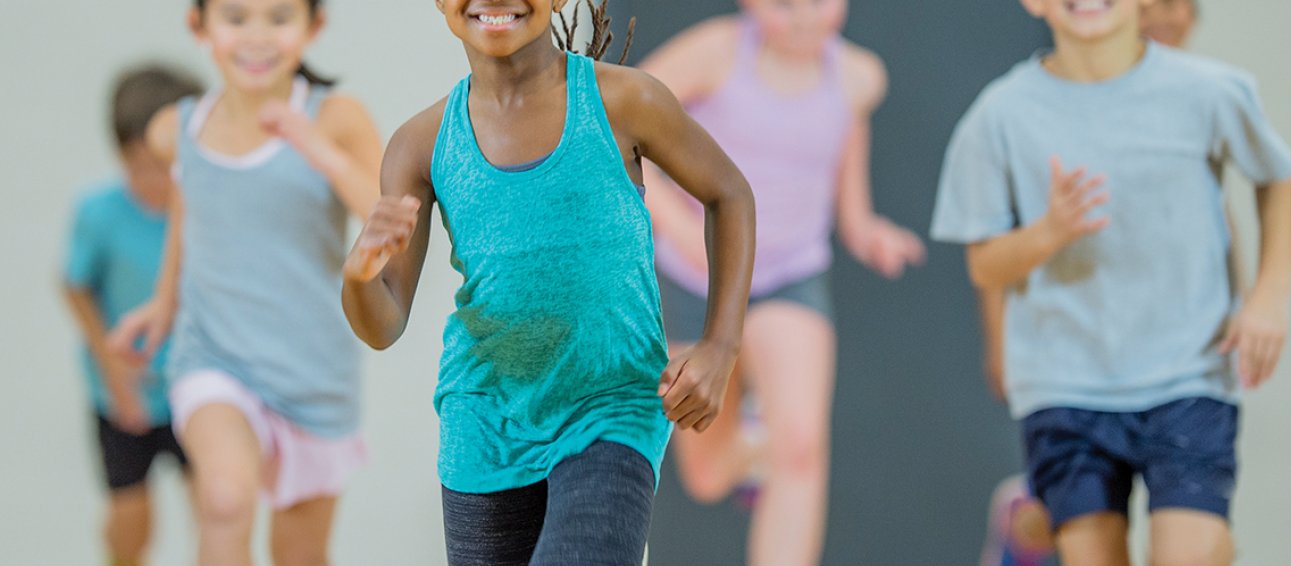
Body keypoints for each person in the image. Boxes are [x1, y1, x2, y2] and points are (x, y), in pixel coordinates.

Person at [338, 1, 756, 564]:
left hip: (610, 407)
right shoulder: (419, 144)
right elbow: (383, 322)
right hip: (484, 425)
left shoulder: (625, 101)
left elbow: (729, 194)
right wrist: (359, 274)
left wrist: (721, 345)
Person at [933, 0, 1291, 563]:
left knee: (1187, 553)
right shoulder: (999, 116)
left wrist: (1268, 298)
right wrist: (1049, 232)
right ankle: (1029, 521)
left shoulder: (1208, 92)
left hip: (1188, 372)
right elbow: (984, 263)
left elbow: (1277, 177)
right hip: (1064, 383)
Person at [637, 2, 925, 563]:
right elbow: (620, 123)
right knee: (706, 475)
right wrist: (677, 226)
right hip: (695, 280)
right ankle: (747, 442)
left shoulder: (857, 77)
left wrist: (867, 231)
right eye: (783, 4)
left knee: (800, 449)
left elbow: (843, 165)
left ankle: (769, 437)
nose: (801, 17)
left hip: (788, 276)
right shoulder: (716, 52)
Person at [109, 1, 383, 563]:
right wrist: (165, 300)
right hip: (216, 357)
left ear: (313, 28)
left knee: (300, 555)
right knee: (225, 497)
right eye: (235, 18)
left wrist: (314, 148)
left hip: (314, 377)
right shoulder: (175, 128)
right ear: (199, 27)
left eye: (279, 18)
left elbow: (388, 216)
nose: (257, 36)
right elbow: (192, 198)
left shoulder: (338, 117)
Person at [63, 64, 203, 566]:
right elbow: (76, 287)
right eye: (140, 165)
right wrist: (113, 371)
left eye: (168, 165)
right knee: (130, 520)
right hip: (122, 392)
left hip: (193, 386)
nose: (156, 181)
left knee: (215, 509)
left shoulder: (205, 211)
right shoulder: (98, 213)